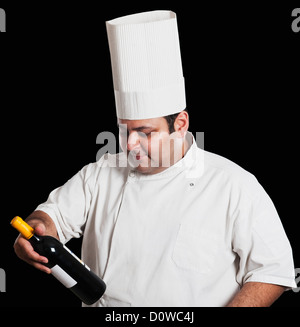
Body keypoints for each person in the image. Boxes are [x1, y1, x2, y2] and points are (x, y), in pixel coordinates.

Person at [13, 10, 296, 307]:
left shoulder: (232, 184)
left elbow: (273, 271)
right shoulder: (99, 174)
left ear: (181, 124)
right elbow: (49, 219)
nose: (130, 143)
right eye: (124, 130)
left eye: (145, 132)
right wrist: (33, 233)